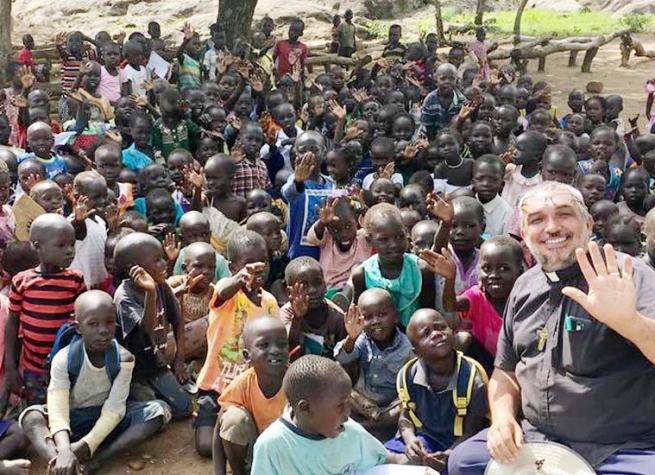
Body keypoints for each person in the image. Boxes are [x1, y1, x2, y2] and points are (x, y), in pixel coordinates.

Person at [448, 181, 655, 474]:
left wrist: (630, 323)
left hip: (621, 448)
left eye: (564, 214)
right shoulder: (523, 286)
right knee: (464, 462)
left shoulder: (626, 275)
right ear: (524, 234)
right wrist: (503, 419)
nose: (552, 227)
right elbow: (505, 372)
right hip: (536, 440)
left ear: (588, 222)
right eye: (537, 220)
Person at [20, 291, 171, 474]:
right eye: (93, 324)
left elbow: (114, 410)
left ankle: (97, 459)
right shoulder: (65, 358)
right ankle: (61, 463)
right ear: (78, 327)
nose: (103, 330)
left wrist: (86, 444)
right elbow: (57, 409)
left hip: (106, 419)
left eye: (109, 322)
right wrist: (66, 449)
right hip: (71, 420)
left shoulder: (124, 358)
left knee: (158, 411)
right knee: (31, 417)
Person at [194, 231, 279, 458]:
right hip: (215, 386)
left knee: (245, 434)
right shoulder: (227, 290)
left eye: (264, 261)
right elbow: (222, 292)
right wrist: (240, 279)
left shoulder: (269, 301)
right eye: (249, 263)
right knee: (205, 447)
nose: (258, 267)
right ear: (233, 267)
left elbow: (279, 340)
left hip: (249, 390)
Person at [251, 355, 406, 473]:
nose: (347, 413)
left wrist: (422, 463)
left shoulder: (350, 431)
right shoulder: (272, 446)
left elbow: (386, 459)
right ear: (305, 408)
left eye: (348, 404)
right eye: (340, 406)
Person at [385, 309, 489, 473]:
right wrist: (410, 439)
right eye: (426, 334)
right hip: (425, 438)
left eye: (440, 328)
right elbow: (405, 416)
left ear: (452, 331)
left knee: (459, 464)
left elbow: (472, 429)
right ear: (416, 351)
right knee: (390, 458)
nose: (436, 334)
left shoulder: (472, 379)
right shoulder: (408, 376)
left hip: (461, 441)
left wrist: (451, 452)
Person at [4, 214, 86, 407]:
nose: (70, 251)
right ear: (37, 246)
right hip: (34, 368)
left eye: (72, 245)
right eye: (61, 245)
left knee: (66, 409)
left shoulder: (75, 280)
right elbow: (13, 323)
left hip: (67, 365)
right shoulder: (22, 281)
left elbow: (83, 320)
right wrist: (11, 366)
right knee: (39, 410)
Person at [112, 233, 193, 420]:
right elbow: (146, 329)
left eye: (163, 258)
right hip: (137, 372)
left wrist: (179, 360)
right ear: (135, 268)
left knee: (185, 408)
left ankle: (156, 397)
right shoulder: (124, 296)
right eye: (158, 260)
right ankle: (137, 400)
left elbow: (178, 320)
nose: (164, 265)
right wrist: (149, 291)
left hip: (158, 364)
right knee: (158, 408)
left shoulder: (160, 284)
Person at [213, 315, 289, 475]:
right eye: (264, 345)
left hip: (290, 459)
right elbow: (220, 427)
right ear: (247, 356)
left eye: (282, 344)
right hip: (255, 459)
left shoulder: (297, 381)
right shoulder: (242, 384)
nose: (275, 350)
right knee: (233, 420)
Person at [334, 289, 412, 435]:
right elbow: (342, 358)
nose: (376, 321)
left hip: (390, 406)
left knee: (407, 402)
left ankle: (368, 427)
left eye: (382, 315)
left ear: (395, 316)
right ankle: (364, 422)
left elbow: (409, 382)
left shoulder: (406, 347)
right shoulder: (362, 338)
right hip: (360, 402)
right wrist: (351, 337)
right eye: (368, 317)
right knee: (336, 371)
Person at [350, 203, 435, 329]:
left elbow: (428, 313)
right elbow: (359, 317)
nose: (394, 244)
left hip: (414, 340)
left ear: (406, 233)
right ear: (369, 240)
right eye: (384, 239)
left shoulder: (421, 270)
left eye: (400, 236)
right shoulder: (362, 274)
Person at [282, 131, 336, 260]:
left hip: (326, 254)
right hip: (300, 254)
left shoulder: (331, 184)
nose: (308, 154)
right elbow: (287, 192)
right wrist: (298, 181)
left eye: (314, 150)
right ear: (296, 153)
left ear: (323, 151)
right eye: (302, 150)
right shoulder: (295, 181)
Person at [281, 256, 346, 358]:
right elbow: (285, 348)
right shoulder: (287, 312)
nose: (313, 290)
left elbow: (344, 356)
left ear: (325, 285)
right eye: (304, 286)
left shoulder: (337, 317)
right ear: (290, 292)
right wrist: (297, 319)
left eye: (318, 283)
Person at [306, 196, 372, 294]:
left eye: (348, 226)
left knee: (358, 268)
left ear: (357, 222)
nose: (344, 234)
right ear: (328, 228)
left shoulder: (363, 239)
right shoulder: (327, 239)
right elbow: (311, 238)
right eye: (336, 229)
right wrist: (322, 223)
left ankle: (344, 298)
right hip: (329, 292)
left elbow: (378, 227)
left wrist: (364, 209)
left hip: (356, 293)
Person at [472, 154, 512, 237]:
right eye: (480, 178)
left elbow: (504, 245)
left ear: (502, 184)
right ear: (473, 182)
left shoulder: (507, 214)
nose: (486, 184)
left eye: (493, 179)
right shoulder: (465, 204)